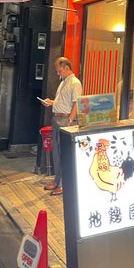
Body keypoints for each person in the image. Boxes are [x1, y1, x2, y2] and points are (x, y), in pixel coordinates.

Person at [41, 56, 82, 196]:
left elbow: (76, 103)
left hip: (65, 120)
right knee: (57, 153)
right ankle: (57, 181)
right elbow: (63, 102)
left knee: (64, 154)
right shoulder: (63, 82)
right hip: (57, 119)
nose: (58, 73)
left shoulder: (75, 83)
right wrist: (52, 102)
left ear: (67, 68)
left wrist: (70, 121)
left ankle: (64, 185)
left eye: (59, 71)